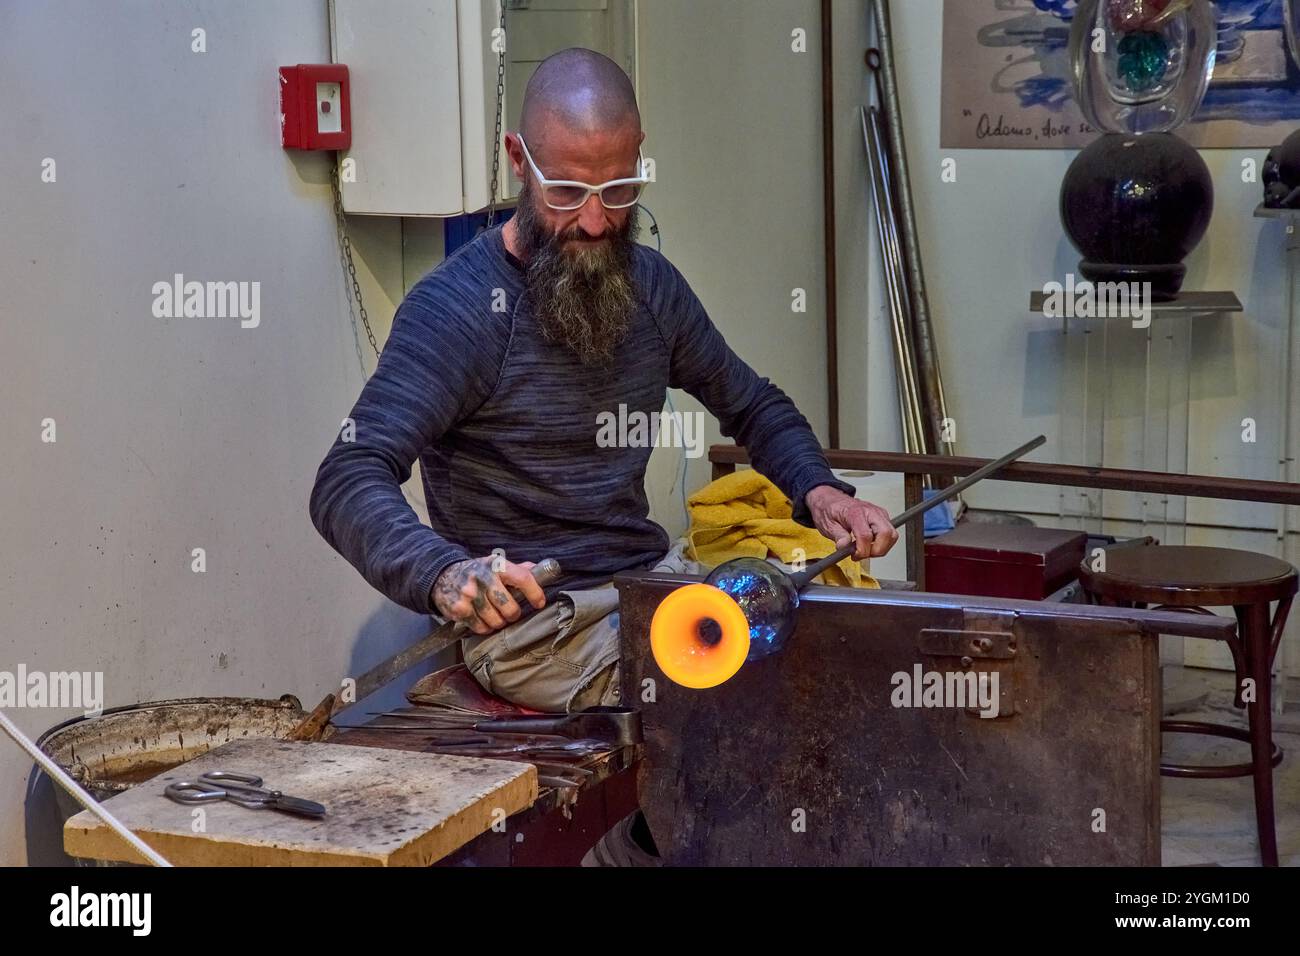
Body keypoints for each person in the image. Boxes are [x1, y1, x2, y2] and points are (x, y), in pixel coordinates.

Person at [309, 46, 897, 716]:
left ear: (639, 157)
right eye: (565, 192)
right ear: (517, 160)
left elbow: (753, 404)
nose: (593, 221)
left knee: (831, 649)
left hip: (645, 588)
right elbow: (348, 476)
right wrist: (444, 572)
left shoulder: (650, 287)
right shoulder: (460, 312)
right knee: (740, 693)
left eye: (617, 192)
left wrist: (821, 493)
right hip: (535, 630)